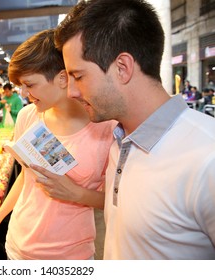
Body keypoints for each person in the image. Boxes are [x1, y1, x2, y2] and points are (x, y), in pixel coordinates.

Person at [46, 0, 215, 259]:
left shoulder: (207, 157)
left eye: (78, 76)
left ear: (122, 68)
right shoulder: (120, 141)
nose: (71, 92)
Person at [0, 29, 116, 260]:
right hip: (18, 247)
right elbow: (26, 177)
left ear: (62, 78)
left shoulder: (105, 127)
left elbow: (117, 199)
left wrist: (77, 194)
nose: (24, 93)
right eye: (21, 85)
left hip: (71, 256)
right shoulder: (28, 116)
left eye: (30, 84)